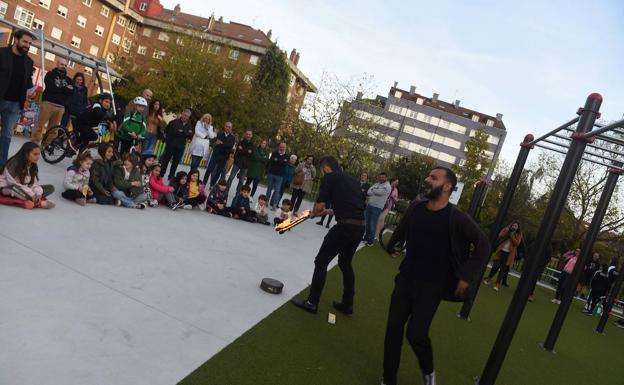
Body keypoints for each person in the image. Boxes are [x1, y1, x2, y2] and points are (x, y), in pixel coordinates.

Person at [381, 167, 489, 385]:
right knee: (393, 328)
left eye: (434, 178)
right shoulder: (416, 208)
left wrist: (466, 277)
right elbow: (403, 227)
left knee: (416, 334)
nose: (427, 180)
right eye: (429, 176)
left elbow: (484, 246)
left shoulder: (456, 217)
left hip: (432, 286)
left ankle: (429, 373)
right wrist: (392, 243)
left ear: (447, 186)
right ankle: (388, 378)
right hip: (406, 279)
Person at [291, 156, 366, 315]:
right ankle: (348, 303)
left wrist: (314, 213)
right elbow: (351, 207)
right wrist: (327, 212)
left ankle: (312, 302)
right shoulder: (352, 180)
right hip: (359, 228)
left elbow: (318, 207)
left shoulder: (330, 178)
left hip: (344, 227)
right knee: (345, 263)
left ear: (325, 167)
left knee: (321, 261)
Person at [0, 29, 35, 167]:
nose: (27, 45)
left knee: (6, 136)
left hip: (15, 104)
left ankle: (1, 166)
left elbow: (28, 81)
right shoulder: (2, 53)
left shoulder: (29, 61)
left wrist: (30, 90)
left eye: (29, 43)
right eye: (25, 42)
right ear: (16, 39)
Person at [32, 57, 74, 146]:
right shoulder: (50, 74)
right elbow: (51, 87)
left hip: (60, 107)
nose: (64, 66)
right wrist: (65, 89)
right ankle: (34, 145)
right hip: (48, 104)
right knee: (39, 125)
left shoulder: (69, 80)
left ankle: (45, 146)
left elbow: (71, 92)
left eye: (66, 65)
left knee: (53, 129)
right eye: (62, 64)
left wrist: (60, 89)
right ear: (57, 64)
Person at [0, 141, 55, 209]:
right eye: (35, 154)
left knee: (50, 188)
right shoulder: (14, 163)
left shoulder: (33, 165)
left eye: (38, 154)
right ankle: (40, 203)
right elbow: (13, 183)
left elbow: (34, 183)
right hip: (8, 187)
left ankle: (31, 201)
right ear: (26, 154)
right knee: (15, 190)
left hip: (24, 189)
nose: (38, 157)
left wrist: (38, 194)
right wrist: (31, 194)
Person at [484, 221, 523, 291]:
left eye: (516, 226)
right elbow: (500, 235)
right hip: (501, 251)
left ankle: (497, 284)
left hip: (509, 254)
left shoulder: (518, 234)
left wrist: (512, 236)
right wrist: (508, 232)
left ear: (518, 228)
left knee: (503, 269)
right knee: (495, 266)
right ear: (511, 225)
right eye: (513, 225)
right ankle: (489, 278)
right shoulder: (506, 229)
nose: (514, 227)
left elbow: (517, 244)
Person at [160, 109, 193, 180]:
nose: (186, 117)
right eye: (185, 115)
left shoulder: (189, 125)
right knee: (165, 160)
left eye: (187, 116)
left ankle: (171, 176)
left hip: (181, 147)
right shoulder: (173, 122)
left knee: (175, 163)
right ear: (182, 114)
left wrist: (181, 132)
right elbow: (168, 131)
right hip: (171, 145)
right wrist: (184, 133)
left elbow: (190, 135)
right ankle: (161, 174)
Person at [363, 172, 392, 246]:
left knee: (372, 224)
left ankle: (370, 241)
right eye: (380, 177)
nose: (381, 178)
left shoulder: (388, 186)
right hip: (369, 205)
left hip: (377, 208)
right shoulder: (377, 184)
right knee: (367, 223)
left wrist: (374, 190)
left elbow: (380, 193)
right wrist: (375, 190)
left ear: (386, 178)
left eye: (383, 177)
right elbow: (369, 192)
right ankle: (366, 237)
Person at [204, 121, 235, 186]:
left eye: (229, 127)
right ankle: (203, 184)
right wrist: (224, 144)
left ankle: (212, 185)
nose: (227, 128)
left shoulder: (232, 138)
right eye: (226, 126)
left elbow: (230, 146)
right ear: (224, 126)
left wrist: (222, 143)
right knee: (209, 169)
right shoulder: (220, 134)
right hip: (216, 154)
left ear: (231, 128)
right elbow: (217, 142)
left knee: (218, 172)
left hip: (224, 157)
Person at [226, 130, 254, 195]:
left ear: (251, 136)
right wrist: (247, 152)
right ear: (245, 134)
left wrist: (243, 150)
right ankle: (226, 190)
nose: (248, 135)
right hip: (237, 163)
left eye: (249, 134)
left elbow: (252, 155)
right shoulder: (241, 142)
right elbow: (238, 152)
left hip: (245, 165)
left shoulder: (252, 145)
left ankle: (238, 193)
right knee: (231, 177)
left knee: (241, 181)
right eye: (247, 134)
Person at [265, 142, 289, 210]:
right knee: (269, 189)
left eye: (283, 147)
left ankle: (275, 205)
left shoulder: (287, 156)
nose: (282, 148)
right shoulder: (274, 153)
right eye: (281, 147)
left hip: (280, 176)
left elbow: (284, 164)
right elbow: (271, 162)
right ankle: (266, 201)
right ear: (279, 147)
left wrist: (277, 160)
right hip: (271, 173)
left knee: (277, 191)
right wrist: (280, 161)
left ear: (285, 148)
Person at [376, 177, 399, 241]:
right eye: (396, 182)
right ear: (393, 181)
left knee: (381, 218)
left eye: (397, 182)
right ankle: (378, 234)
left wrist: (393, 197)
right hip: (381, 204)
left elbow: (396, 199)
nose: (397, 183)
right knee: (380, 220)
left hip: (388, 206)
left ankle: (378, 235)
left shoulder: (395, 190)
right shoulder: (386, 186)